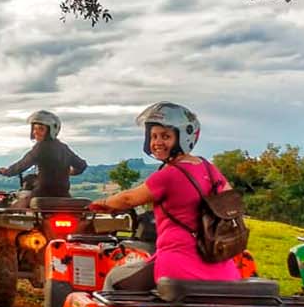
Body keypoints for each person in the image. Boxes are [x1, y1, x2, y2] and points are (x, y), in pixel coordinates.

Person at [91, 102, 239, 288]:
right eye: (154, 136)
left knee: (114, 278)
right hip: (223, 270)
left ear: (184, 138)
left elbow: (128, 198)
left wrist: (104, 203)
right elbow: (230, 200)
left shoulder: (168, 175)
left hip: (177, 267)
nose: (157, 142)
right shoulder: (208, 168)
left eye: (165, 136)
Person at [0, 110, 87, 200]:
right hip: (64, 195)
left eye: (41, 129)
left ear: (51, 131)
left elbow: (22, 164)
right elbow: (82, 165)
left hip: (42, 193)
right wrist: (69, 172)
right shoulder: (64, 148)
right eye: (34, 128)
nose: (35, 132)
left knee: (7, 211)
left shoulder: (41, 147)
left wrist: (6, 172)